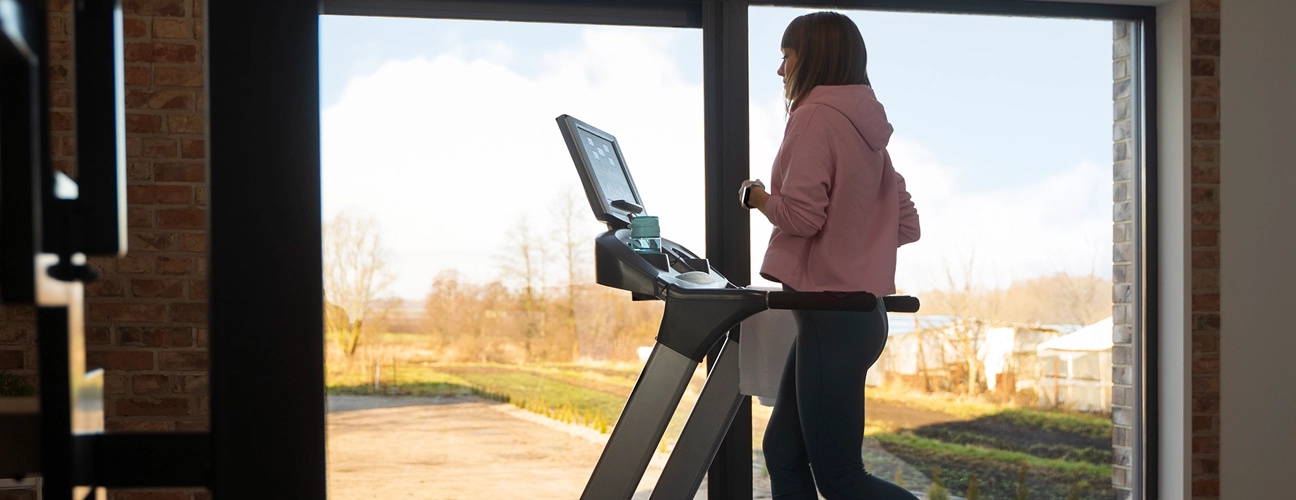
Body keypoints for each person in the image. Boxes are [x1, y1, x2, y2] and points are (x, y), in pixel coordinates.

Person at [739, 11, 921, 500]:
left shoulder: (814, 116)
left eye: (786, 56)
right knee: (783, 453)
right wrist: (855, 244)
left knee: (842, 479)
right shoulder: (869, 132)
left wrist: (756, 196)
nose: (780, 70)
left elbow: (802, 217)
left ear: (812, 56)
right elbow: (906, 224)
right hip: (857, 316)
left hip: (832, 318)